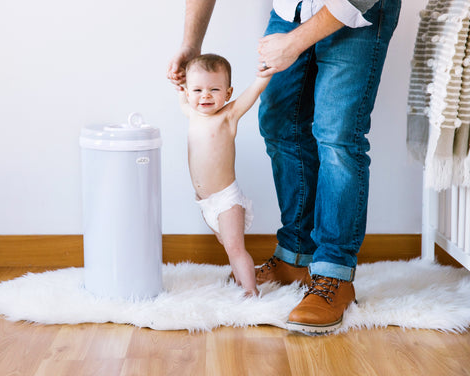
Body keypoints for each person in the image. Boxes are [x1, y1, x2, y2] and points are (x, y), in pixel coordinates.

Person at [168, 0, 401, 333]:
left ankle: (333, 274)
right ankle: (296, 255)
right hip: (290, 11)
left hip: (355, 10)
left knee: (337, 136)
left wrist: (294, 43)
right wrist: (191, 43)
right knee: (280, 125)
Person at [177, 53, 271, 296]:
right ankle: (241, 283)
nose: (205, 95)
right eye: (197, 90)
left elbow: (252, 93)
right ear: (188, 93)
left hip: (226, 201)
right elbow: (180, 91)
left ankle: (251, 292)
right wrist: (177, 77)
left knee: (235, 247)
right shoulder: (192, 113)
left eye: (214, 89)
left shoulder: (228, 116)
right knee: (228, 248)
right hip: (206, 202)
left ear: (228, 94)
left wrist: (265, 73)